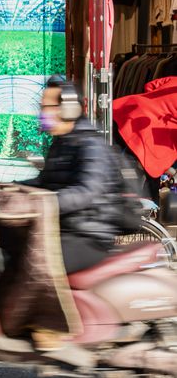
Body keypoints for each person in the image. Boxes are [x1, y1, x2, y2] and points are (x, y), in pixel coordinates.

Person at [29, 78, 134, 275]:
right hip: (64, 231)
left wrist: (44, 203)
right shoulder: (61, 143)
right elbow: (45, 183)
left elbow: (87, 191)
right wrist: (5, 189)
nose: (43, 114)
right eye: (42, 107)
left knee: (35, 266)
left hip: (88, 236)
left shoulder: (91, 145)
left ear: (69, 109)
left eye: (48, 107)